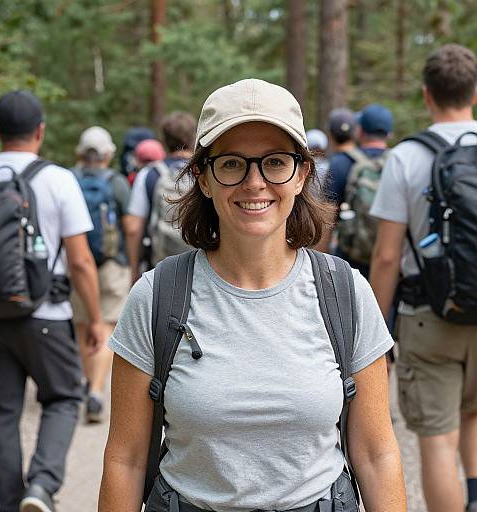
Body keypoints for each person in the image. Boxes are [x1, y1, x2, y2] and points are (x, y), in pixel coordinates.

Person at [99, 79, 406, 512]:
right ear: (203, 178)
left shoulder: (346, 294)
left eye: (275, 162)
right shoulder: (156, 297)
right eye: (231, 164)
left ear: (301, 175)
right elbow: (125, 460)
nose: (254, 182)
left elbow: (377, 455)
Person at [0, 91, 104, 512]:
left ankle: (10, 505)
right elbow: (80, 261)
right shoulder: (58, 179)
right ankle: (41, 487)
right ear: (40, 130)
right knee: (63, 398)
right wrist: (95, 318)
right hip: (48, 315)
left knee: (1, 416)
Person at [370, 44, 477, 512]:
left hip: (427, 317)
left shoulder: (406, 157)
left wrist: (374, 330)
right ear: (474, 93)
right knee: (474, 415)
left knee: (436, 441)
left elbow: (388, 256)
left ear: (426, 94)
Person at [71, 126, 135, 423]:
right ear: (108, 154)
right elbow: (131, 225)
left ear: (80, 154)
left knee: (85, 326)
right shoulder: (117, 182)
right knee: (107, 325)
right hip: (111, 263)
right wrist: (132, 263)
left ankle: (89, 383)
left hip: (77, 263)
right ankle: (96, 390)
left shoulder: (68, 180)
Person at [323, 104, 393, 277]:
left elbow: (326, 219)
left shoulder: (341, 163)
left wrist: (321, 263)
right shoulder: (399, 162)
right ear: (389, 134)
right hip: (390, 260)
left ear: (359, 130)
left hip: (350, 262)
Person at [126, 111, 196, 279]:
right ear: (194, 137)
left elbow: (133, 228)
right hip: (202, 266)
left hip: (159, 269)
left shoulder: (150, 173)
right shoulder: (206, 171)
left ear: (164, 140)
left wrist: (134, 271)